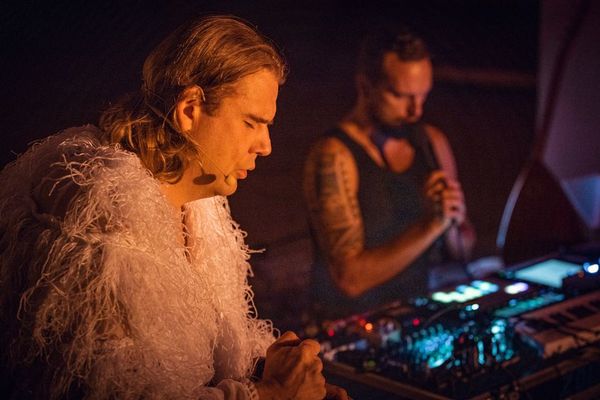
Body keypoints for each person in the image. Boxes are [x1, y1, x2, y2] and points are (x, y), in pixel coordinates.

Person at [0, 15, 347, 400]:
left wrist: (284, 375)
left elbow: (211, 355)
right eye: (252, 123)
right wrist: (272, 393)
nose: (265, 146)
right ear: (190, 109)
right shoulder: (96, 218)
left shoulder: (202, 206)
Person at [304, 26, 476, 320]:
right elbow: (349, 280)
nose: (415, 111)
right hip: (354, 325)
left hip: (416, 315)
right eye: (400, 96)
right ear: (365, 87)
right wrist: (431, 226)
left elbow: (464, 248)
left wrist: (451, 219)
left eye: (423, 96)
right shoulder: (334, 155)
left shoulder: (432, 142)